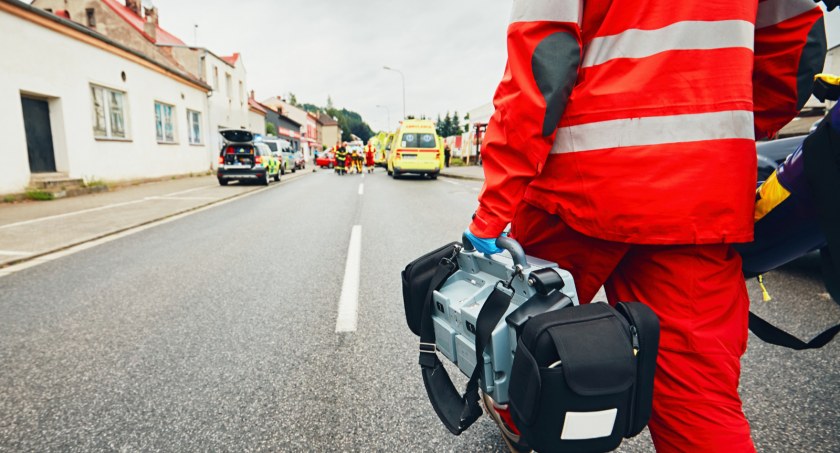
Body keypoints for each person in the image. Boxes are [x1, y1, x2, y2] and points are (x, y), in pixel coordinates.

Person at [464, 1, 827, 452]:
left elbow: (542, 63)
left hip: (576, 188)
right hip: (696, 197)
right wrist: (717, 134)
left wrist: (493, 209)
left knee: (520, 339)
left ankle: (526, 421)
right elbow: (797, 50)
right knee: (698, 406)